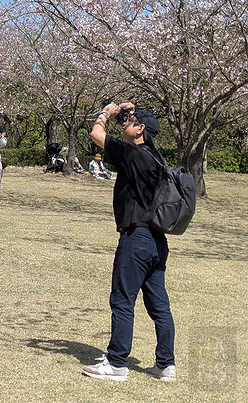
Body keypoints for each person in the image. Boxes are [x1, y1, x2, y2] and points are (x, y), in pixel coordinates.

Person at [82, 103, 176, 383]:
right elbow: (127, 130)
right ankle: (166, 364)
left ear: (141, 130)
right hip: (157, 241)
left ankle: (117, 363)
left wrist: (106, 113)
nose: (125, 124)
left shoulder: (132, 152)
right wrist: (127, 113)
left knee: (122, 300)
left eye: (130, 121)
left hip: (136, 238)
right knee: (159, 305)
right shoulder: (157, 158)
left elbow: (96, 135)